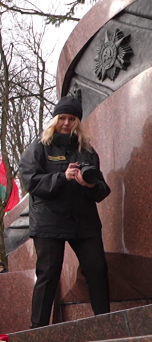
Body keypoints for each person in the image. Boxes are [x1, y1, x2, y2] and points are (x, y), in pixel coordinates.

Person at [20, 95, 111, 328]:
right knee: (48, 273)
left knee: (97, 269)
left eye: (72, 118)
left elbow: (102, 189)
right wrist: (62, 177)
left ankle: (107, 324)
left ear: (78, 122)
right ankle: (37, 330)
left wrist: (89, 184)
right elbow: (30, 181)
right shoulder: (40, 147)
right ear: (54, 119)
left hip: (84, 221)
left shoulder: (87, 150)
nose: (67, 123)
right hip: (49, 221)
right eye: (62, 117)